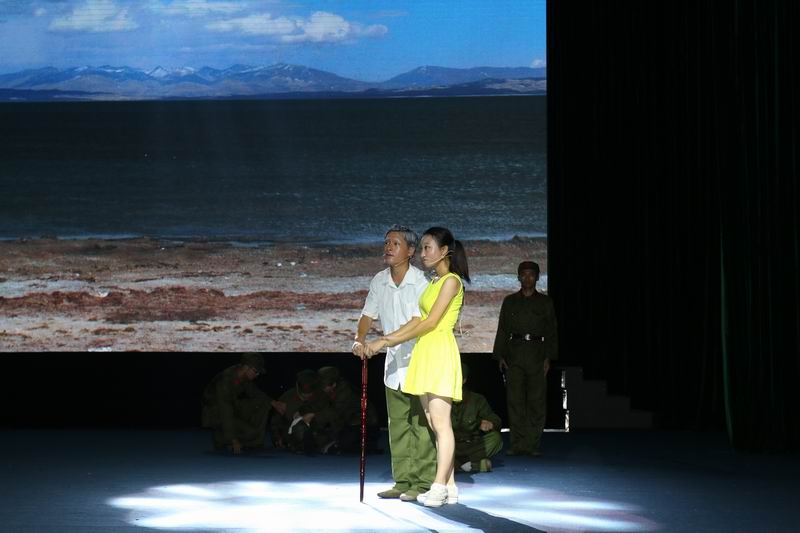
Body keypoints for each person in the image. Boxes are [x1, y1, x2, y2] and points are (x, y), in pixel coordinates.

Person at [367, 226, 469, 507]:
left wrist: (386, 340)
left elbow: (431, 322)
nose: (423, 254)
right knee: (433, 423)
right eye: (422, 248)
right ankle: (450, 485)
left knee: (441, 423)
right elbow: (417, 320)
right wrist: (385, 339)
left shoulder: (451, 281)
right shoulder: (434, 282)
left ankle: (438, 486)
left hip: (438, 350)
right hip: (424, 351)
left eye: (427, 248)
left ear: (444, 251)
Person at [353, 225, 435, 501]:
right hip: (393, 364)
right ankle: (403, 481)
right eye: (386, 242)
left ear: (410, 251)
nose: (388, 247)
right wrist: (358, 339)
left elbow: (417, 322)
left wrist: (382, 341)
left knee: (421, 425)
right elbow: (367, 315)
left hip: (418, 359)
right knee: (397, 425)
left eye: (395, 243)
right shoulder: (379, 280)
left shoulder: (422, 282)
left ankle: (422, 483)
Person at [492, 261, 558, 457]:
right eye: (524, 274)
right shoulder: (510, 301)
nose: (527, 278)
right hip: (514, 354)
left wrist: (548, 357)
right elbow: (503, 329)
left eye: (531, 274)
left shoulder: (545, 302)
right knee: (515, 401)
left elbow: (552, 331)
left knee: (537, 402)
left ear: (537, 277)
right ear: (518, 277)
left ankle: (532, 444)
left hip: (537, 354)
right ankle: (517, 444)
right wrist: (500, 355)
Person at [201, 352, 286, 455]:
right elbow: (225, 411)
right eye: (256, 371)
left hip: (231, 406)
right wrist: (233, 439)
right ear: (246, 367)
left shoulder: (242, 375)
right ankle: (221, 438)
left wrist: (274, 402)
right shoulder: (225, 381)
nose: (257, 375)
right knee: (250, 432)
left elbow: (254, 392)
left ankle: (255, 443)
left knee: (264, 402)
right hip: (215, 413)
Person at [452, 363, 503, 473]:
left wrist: (490, 423)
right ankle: (472, 465)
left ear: (464, 380)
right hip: (449, 445)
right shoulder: (441, 399)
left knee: (496, 439)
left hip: (471, 446)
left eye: (457, 378)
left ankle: (457, 464)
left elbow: (496, 419)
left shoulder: (477, 399)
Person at [316, 365, 379, 454]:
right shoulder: (330, 390)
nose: (322, 389)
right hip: (349, 423)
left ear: (333, 384)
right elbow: (320, 406)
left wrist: (313, 417)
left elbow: (334, 413)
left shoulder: (345, 391)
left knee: (345, 444)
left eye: (324, 386)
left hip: (365, 425)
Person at [269, 369, 328, 455]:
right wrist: (277, 437)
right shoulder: (287, 397)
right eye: (303, 394)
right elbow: (276, 420)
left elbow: (329, 416)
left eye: (309, 395)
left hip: (316, 432)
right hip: (291, 434)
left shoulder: (322, 397)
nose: (306, 397)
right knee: (298, 429)